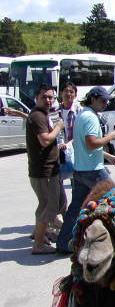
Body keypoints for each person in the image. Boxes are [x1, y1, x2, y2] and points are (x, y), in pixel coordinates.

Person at [56, 86, 115, 254]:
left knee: (77, 206)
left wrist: (107, 156)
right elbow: (91, 143)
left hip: (81, 169)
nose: (106, 104)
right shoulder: (91, 118)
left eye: (107, 100)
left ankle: (64, 242)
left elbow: (83, 145)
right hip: (93, 171)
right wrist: (109, 137)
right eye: (103, 100)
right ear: (93, 99)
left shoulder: (82, 115)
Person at [26, 84, 67, 254]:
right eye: (45, 97)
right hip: (44, 172)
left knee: (44, 206)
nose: (49, 100)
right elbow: (45, 140)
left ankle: (40, 236)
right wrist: (59, 127)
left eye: (51, 97)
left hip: (45, 171)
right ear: (36, 97)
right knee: (48, 209)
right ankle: (38, 245)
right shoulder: (37, 116)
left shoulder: (40, 115)